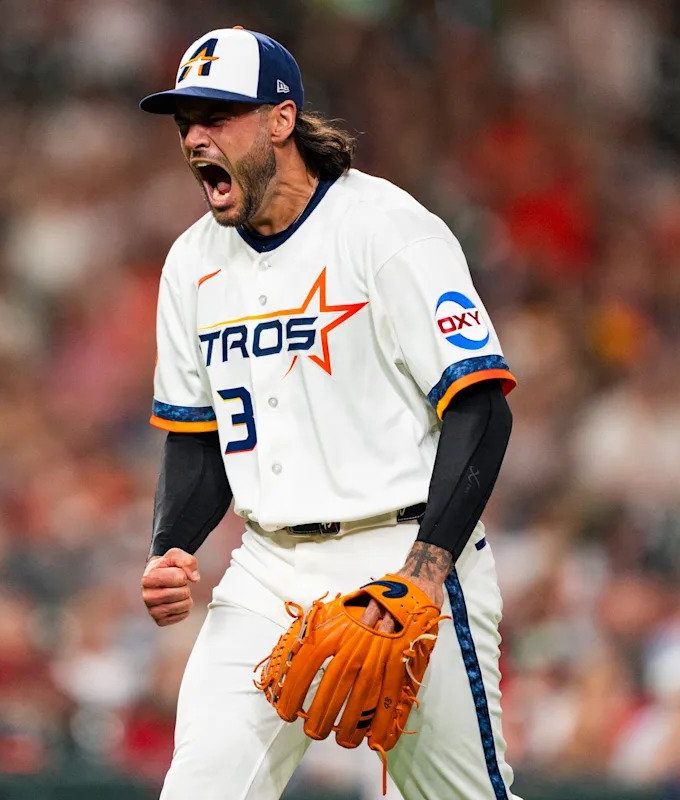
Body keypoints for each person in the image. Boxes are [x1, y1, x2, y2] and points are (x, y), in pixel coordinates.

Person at [138, 27, 520, 800]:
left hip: (401, 558)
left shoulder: (385, 229)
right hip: (266, 572)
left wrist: (424, 573)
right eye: (187, 122)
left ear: (281, 120)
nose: (196, 138)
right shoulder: (191, 264)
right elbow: (199, 436)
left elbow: (480, 409)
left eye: (218, 116)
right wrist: (172, 546)